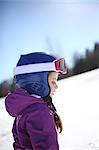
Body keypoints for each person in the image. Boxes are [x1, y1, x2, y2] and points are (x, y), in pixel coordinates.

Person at [5, 52, 67, 150]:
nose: (56, 86)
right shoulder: (39, 112)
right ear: (37, 82)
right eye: (53, 81)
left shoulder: (23, 110)